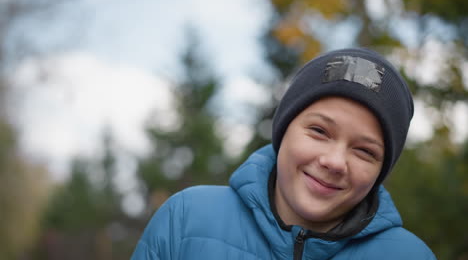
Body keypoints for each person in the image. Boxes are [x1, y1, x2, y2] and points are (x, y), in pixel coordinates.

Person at [131, 48, 436, 259]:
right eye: (319, 131)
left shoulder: (411, 256)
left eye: (364, 151)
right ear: (283, 129)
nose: (334, 162)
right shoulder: (186, 219)